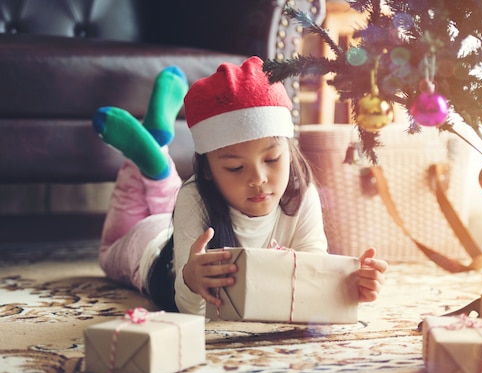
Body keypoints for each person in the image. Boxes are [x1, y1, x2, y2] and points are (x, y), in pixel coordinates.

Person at [93, 56, 387, 316]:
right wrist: (191, 280)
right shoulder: (194, 195)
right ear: (207, 170)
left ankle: (155, 152)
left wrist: (346, 286)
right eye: (235, 167)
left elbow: (310, 273)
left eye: (272, 159)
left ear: (289, 151)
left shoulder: (300, 193)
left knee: (167, 202)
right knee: (109, 251)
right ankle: (152, 158)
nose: (258, 178)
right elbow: (189, 310)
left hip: (172, 223)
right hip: (149, 247)